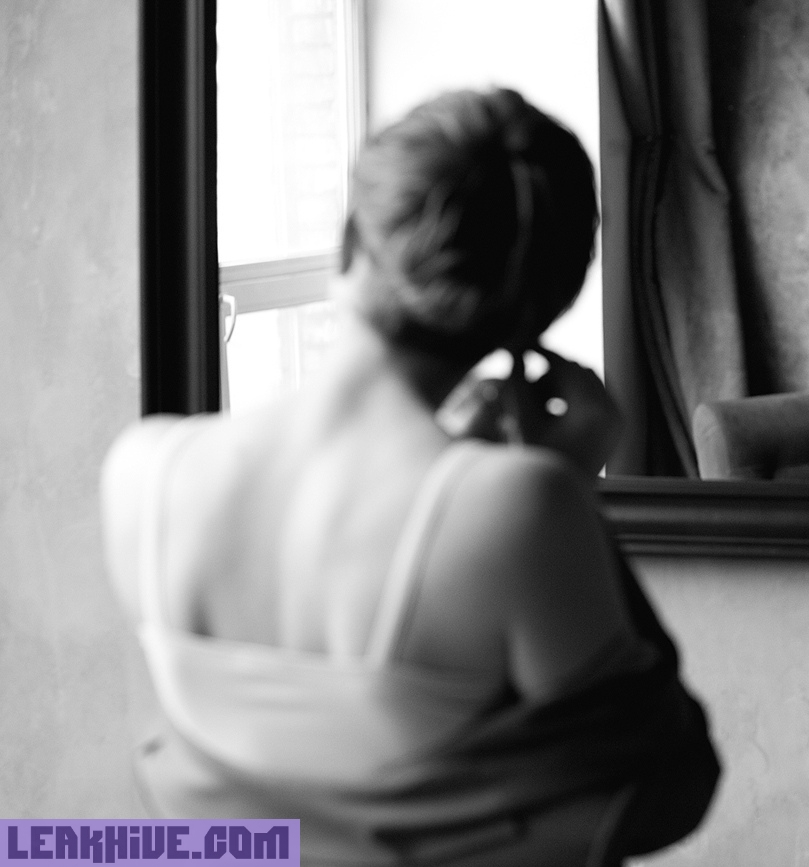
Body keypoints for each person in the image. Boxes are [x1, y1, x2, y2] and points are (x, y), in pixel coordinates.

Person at [101, 88, 719, 866]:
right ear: (535, 315)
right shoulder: (514, 509)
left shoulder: (145, 473)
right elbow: (660, 781)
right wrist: (564, 488)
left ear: (349, 243)